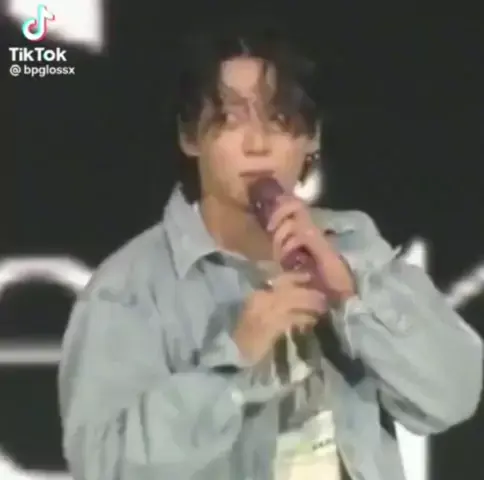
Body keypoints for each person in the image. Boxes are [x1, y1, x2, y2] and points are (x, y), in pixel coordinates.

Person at [58, 23, 483, 480]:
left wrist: (350, 295)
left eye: (279, 121)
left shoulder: (352, 243)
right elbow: (105, 466)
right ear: (190, 137)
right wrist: (235, 360)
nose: (257, 145)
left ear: (312, 137)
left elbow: (453, 397)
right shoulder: (129, 287)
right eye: (229, 120)